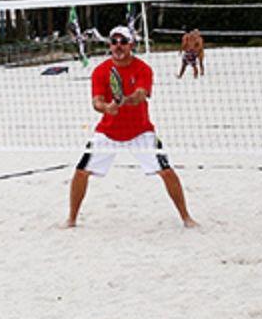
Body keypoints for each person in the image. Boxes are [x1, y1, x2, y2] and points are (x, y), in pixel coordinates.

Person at [64, 25, 197, 229]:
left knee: (166, 171)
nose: (118, 46)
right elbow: (96, 102)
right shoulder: (100, 71)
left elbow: (140, 95)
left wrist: (123, 100)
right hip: (108, 132)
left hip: (140, 130)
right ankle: (71, 219)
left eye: (123, 42)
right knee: (81, 172)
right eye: (114, 41)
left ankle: (186, 217)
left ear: (131, 45)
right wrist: (107, 108)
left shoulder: (143, 68)